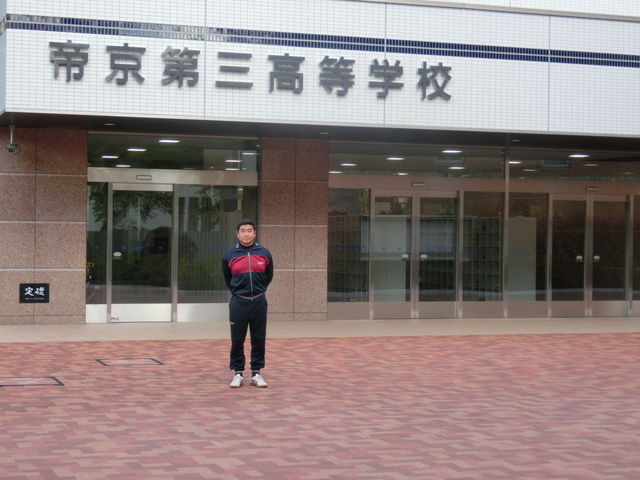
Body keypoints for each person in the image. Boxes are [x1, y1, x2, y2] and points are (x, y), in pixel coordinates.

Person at [222, 220, 274, 388]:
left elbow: (268, 276)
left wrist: (259, 290)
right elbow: (228, 277)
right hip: (239, 302)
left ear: (254, 233)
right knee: (237, 339)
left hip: (259, 301)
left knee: (258, 338)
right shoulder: (230, 254)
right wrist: (238, 291)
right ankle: (238, 373)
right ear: (237, 234)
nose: (246, 234)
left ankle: (256, 373)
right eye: (243, 231)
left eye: (249, 230)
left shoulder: (264, 253)